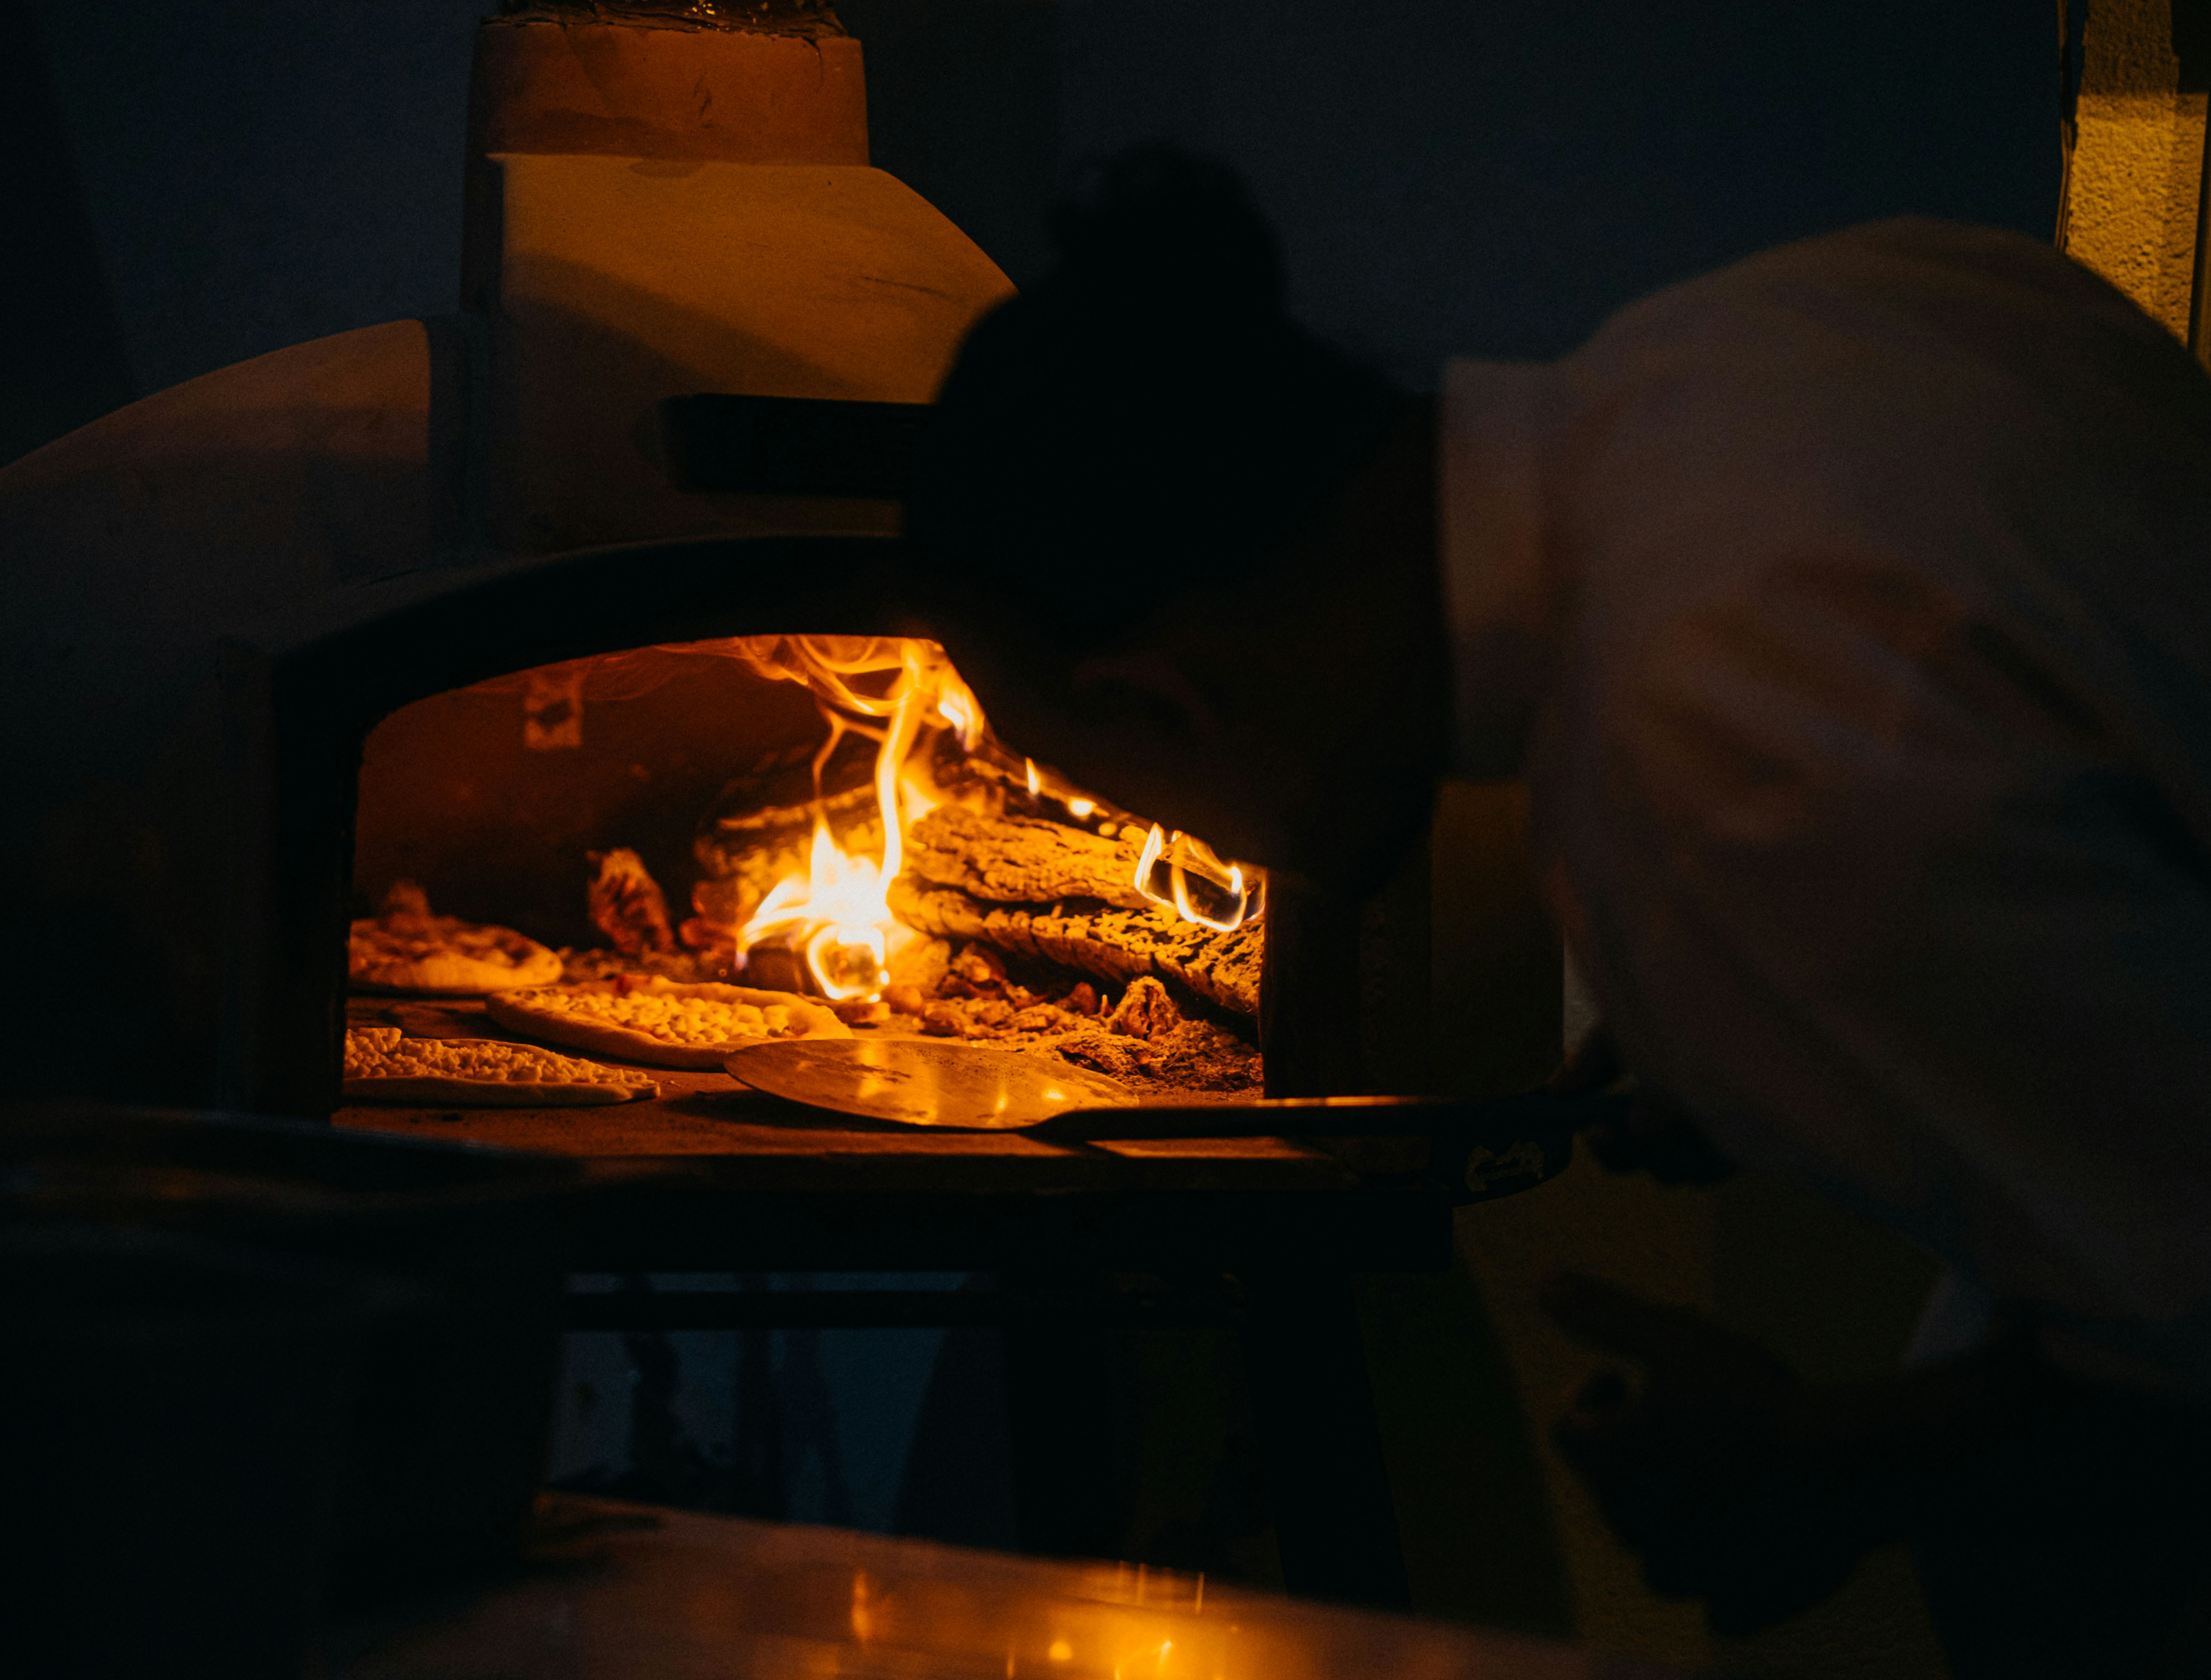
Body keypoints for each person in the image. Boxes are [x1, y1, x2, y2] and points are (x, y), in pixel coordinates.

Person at [904, 146, 2211, 1678]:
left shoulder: (1702, 757)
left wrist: (1814, 1466)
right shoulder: (1803, 317)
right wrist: (1778, 1053)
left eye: (1115, 779)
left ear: (1165, 698)